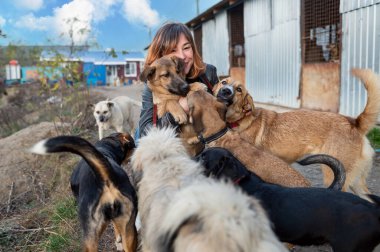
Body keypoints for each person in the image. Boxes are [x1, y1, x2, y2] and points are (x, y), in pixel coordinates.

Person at [136, 22, 219, 139]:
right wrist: (176, 109)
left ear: (193, 48)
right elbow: (145, 134)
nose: (182, 56)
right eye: (173, 50)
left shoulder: (208, 72)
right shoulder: (153, 82)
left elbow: (223, 112)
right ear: (161, 56)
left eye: (186, 48)